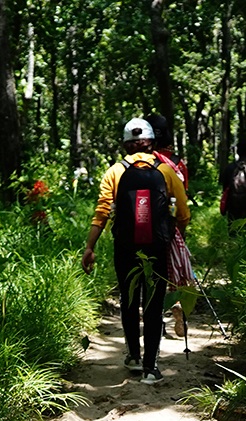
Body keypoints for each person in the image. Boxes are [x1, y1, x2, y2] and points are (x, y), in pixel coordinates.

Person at [81, 117, 190, 384]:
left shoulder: (115, 172)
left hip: (125, 246)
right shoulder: (166, 172)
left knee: (129, 301)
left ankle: (132, 356)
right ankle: (151, 368)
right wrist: (175, 239)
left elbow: (101, 213)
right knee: (153, 304)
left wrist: (89, 247)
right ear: (152, 143)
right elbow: (184, 213)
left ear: (126, 145)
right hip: (157, 246)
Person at [149, 115, 192, 343]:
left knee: (152, 275)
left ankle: (156, 322)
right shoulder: (178, 162)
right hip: (172, 224)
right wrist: (181, 226)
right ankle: (177, 303)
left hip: (146, 226)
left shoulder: (144, 160)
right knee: (176, 271)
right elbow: (183, 194)